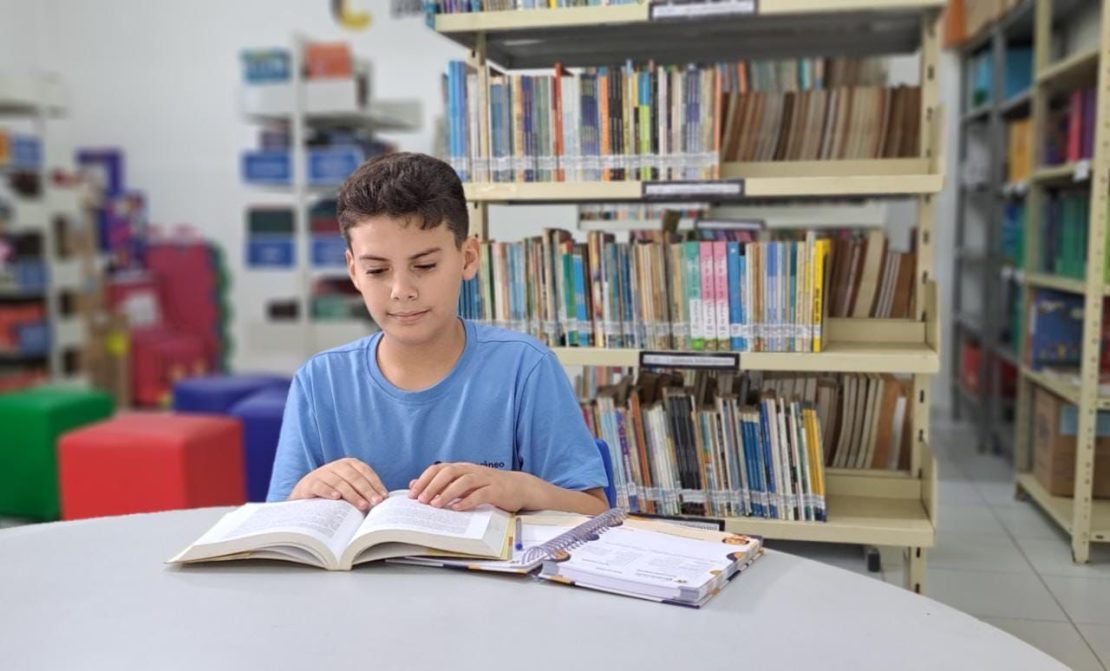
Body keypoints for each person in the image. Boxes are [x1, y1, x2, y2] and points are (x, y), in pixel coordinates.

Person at [266, 152, 609, 516]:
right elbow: (274, 525)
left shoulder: (526, 368)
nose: (402, 290)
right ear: (353, 270)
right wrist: (304, 491)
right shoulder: (319, 382)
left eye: (425, 266)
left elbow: (595, 510)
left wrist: (521, 488)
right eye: (377, 270)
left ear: (468, 258)